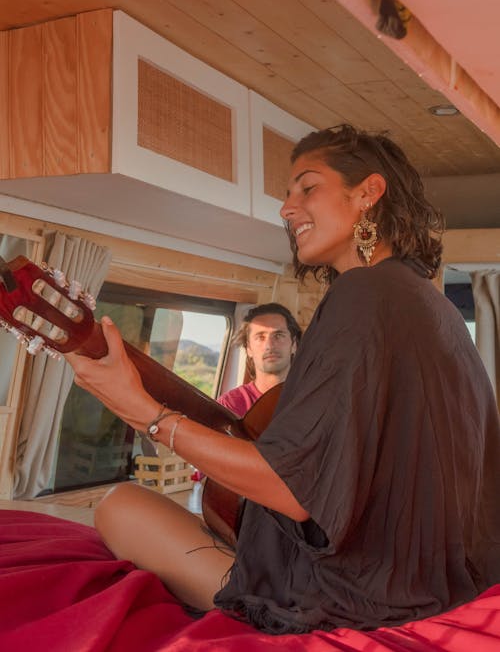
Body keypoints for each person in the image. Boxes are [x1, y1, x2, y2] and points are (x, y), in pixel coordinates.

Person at [66, 123, 500, 634]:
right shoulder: (431, 303)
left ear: (369, 192)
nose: (286, 208)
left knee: (119, 506)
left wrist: (145, 413)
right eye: (287, 194)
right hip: (439, 579)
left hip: (358, 599)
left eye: (307, 187)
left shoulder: (361, 294)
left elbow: (294, 490)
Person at [217, 302, 302, 418]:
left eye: (278, 335)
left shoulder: (313, 400)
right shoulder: (230, 405)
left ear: (294, 345)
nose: (269, 346)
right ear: (249, 349)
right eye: (260, 337)